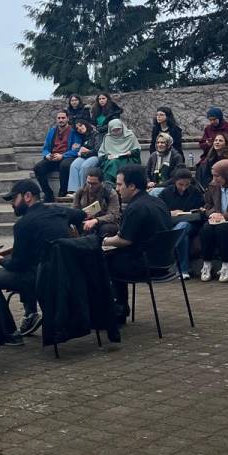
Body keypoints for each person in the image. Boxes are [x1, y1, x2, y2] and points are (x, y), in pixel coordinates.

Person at [0, 179, 86, 340]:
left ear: (27, 196)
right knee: (29, 265)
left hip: (43, 278)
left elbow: (17, 265)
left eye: (14, 199)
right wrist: (75, 233)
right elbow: (82, 215)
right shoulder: (59, 211)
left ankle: (8, 332)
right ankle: (30, 314)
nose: (12, 204)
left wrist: (0, 260)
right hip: (67, 273)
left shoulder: (23, 225)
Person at [102, 165, 174, 316]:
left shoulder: (136, 208)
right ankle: (119, 307)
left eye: (119, 184)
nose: (117, 189)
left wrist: (103, 241)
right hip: (165, 262)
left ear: (132, 186)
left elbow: (124, 240)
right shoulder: (158, 202)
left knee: (101, 261)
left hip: (145, 265)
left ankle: (117, 308)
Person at [32, 110, 83, 200]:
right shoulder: (52, 131)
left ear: (67, 119)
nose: (61, 120)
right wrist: (47, 155)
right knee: (38, 167)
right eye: (59, 118)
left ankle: (63, 192)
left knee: (65, 165)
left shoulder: (73, 131)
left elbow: (76, 149)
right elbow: (46, 147)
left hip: (67, 157)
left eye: (63, 118)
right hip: (53, 157)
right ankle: (48, 193)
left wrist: (63, 155)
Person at [72, 166, 121, 238]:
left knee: (105, 228)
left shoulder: (110, 193)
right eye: (89, 183)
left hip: (105, 222)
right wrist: (81, 215)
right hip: (85, 220)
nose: (90, 186)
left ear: (101, 182)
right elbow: (74, 210)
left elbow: (113, 215)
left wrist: (96, 220)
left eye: (94, 183)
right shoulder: (81, 191)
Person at [98, 118, 141, 184]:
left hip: (128, 158)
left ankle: (119, 183)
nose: (116, 132)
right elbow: (102, 154)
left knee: (116, 164)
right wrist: (108, 156)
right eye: (114, 130)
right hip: (112, 160)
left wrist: (130, 152)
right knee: (112, 163)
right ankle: (110, 184)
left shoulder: (130, 136)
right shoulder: (107, 138)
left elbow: (137, 151)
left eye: (118, 129)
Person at [66, 119, 100, 194]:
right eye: (77, 128)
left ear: (85, 124)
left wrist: (85, 152)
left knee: (84, 166)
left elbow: (97, 150)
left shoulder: (96, 133)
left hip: (95, 156)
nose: (80, 129)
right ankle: (74, 191)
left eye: (81, 125)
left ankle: (83, 190)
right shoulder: (83, 136)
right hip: (85, 156)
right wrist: (79, 149)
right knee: (74, 165)